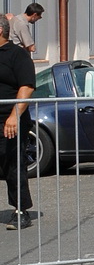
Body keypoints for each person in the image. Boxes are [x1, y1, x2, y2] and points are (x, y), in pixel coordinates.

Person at [0, 13, 36, 228]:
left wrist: (14, 115)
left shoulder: (17, 54)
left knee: (12, 164)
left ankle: (21, 210)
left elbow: (26, 86)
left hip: (9, 119)